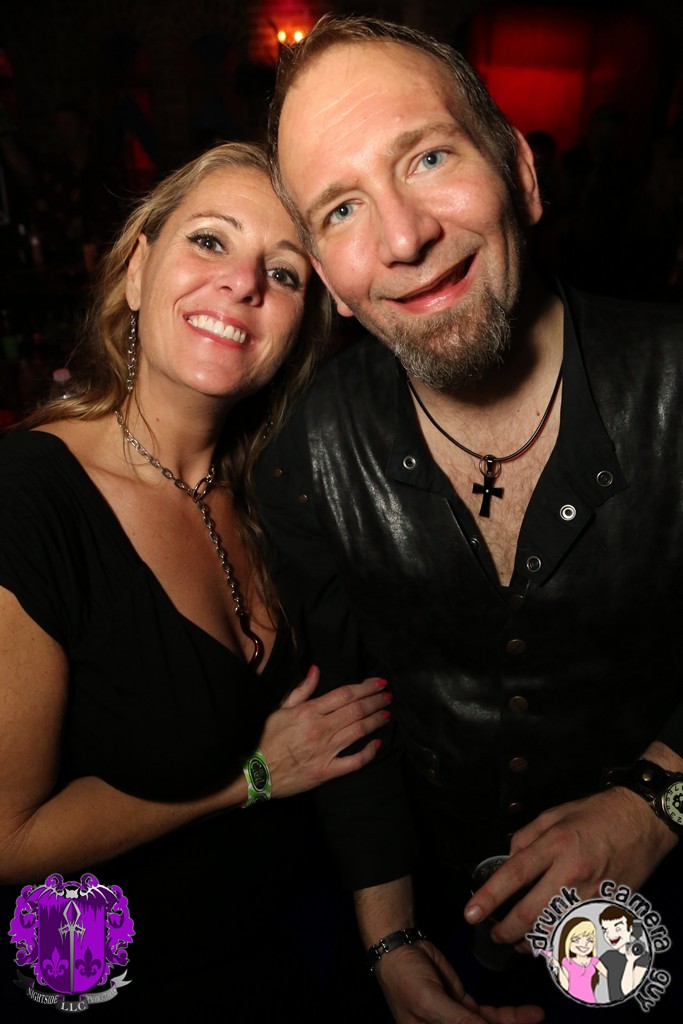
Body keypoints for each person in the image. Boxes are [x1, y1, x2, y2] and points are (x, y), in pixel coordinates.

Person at [255, 13, 683, 1024]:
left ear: (522, 177)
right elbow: (347, 719)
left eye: (430, 157)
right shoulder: (306, 453)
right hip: (446, 923)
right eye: (342, 208)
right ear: (329, 283)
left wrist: (657, 804)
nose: (403, 238)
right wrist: (389, 939)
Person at [0, 141, 391, 1019]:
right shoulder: (28, 498)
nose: (242, 283)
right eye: (210, 240)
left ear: (301, 323)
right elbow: (7, 838)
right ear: (138, 271)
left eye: (282, 273)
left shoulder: (279, 490)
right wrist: (251, 777)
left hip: (294, 955)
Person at [599, 906, 650, 1002]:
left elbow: (628, 992)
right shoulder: (608, 956)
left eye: (617, 929)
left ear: (630, 929)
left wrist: (630, 961)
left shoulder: (643, 957)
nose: (610, 935)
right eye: (605, 930)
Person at [550, 917, 606, 1003]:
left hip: (590, 1001)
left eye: (590, 940)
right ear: (567, 941)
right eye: (576, 940)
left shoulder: (594, 961)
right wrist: (558, 967)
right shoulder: (567, 962)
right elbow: (565, 987)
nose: (584, 944)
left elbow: (610, 976)